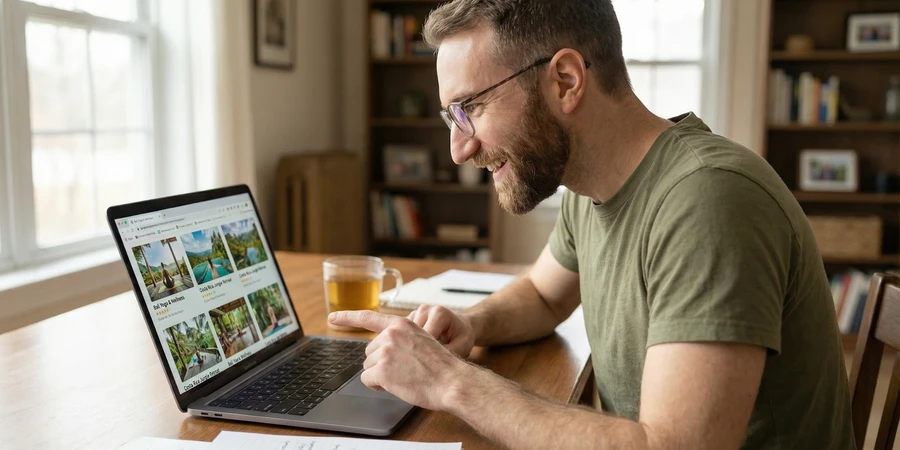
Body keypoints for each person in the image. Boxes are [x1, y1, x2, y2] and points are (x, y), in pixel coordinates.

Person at [328, 1, 855, 449]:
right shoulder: (591, 183)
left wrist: (450, 383)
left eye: (471, 107)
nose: (459, 148)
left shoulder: (709, 199)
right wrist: (471, 325)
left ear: (566, 80)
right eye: (452, 117)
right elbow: (541, 294)